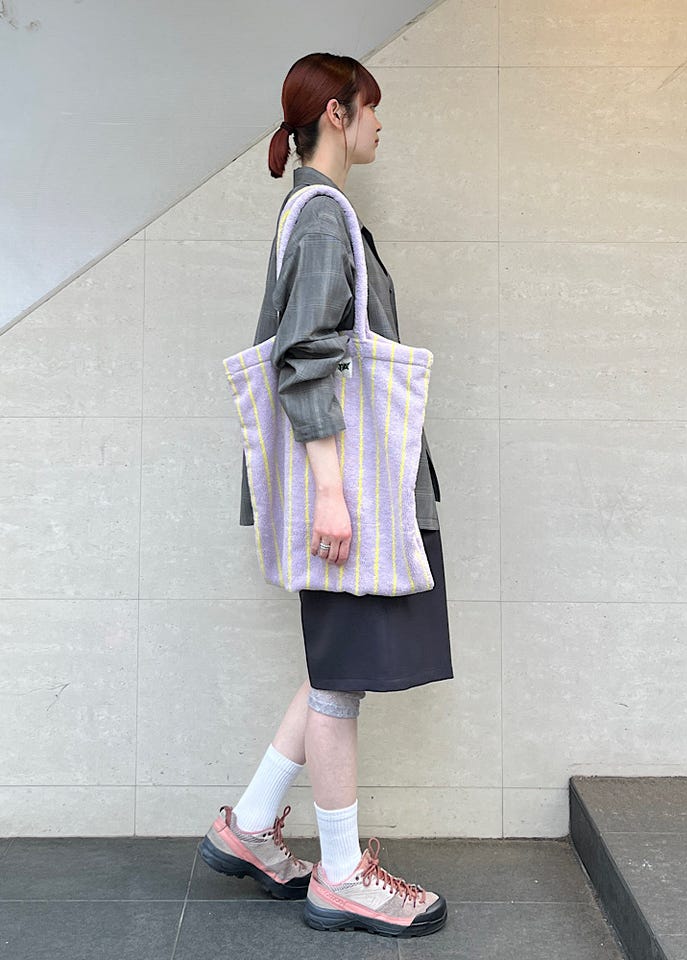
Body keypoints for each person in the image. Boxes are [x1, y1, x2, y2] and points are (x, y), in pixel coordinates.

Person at [199, 52, 454, 939]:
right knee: (342, 680)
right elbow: (305, 358)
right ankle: (342, 875)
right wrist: (333, 495)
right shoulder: (319, 219)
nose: (381, 123)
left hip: (341, 483)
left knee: (333, 662)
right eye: (372, 107)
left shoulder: (315, 213)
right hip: (345, 489)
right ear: (338, 114)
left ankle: (249, 825)